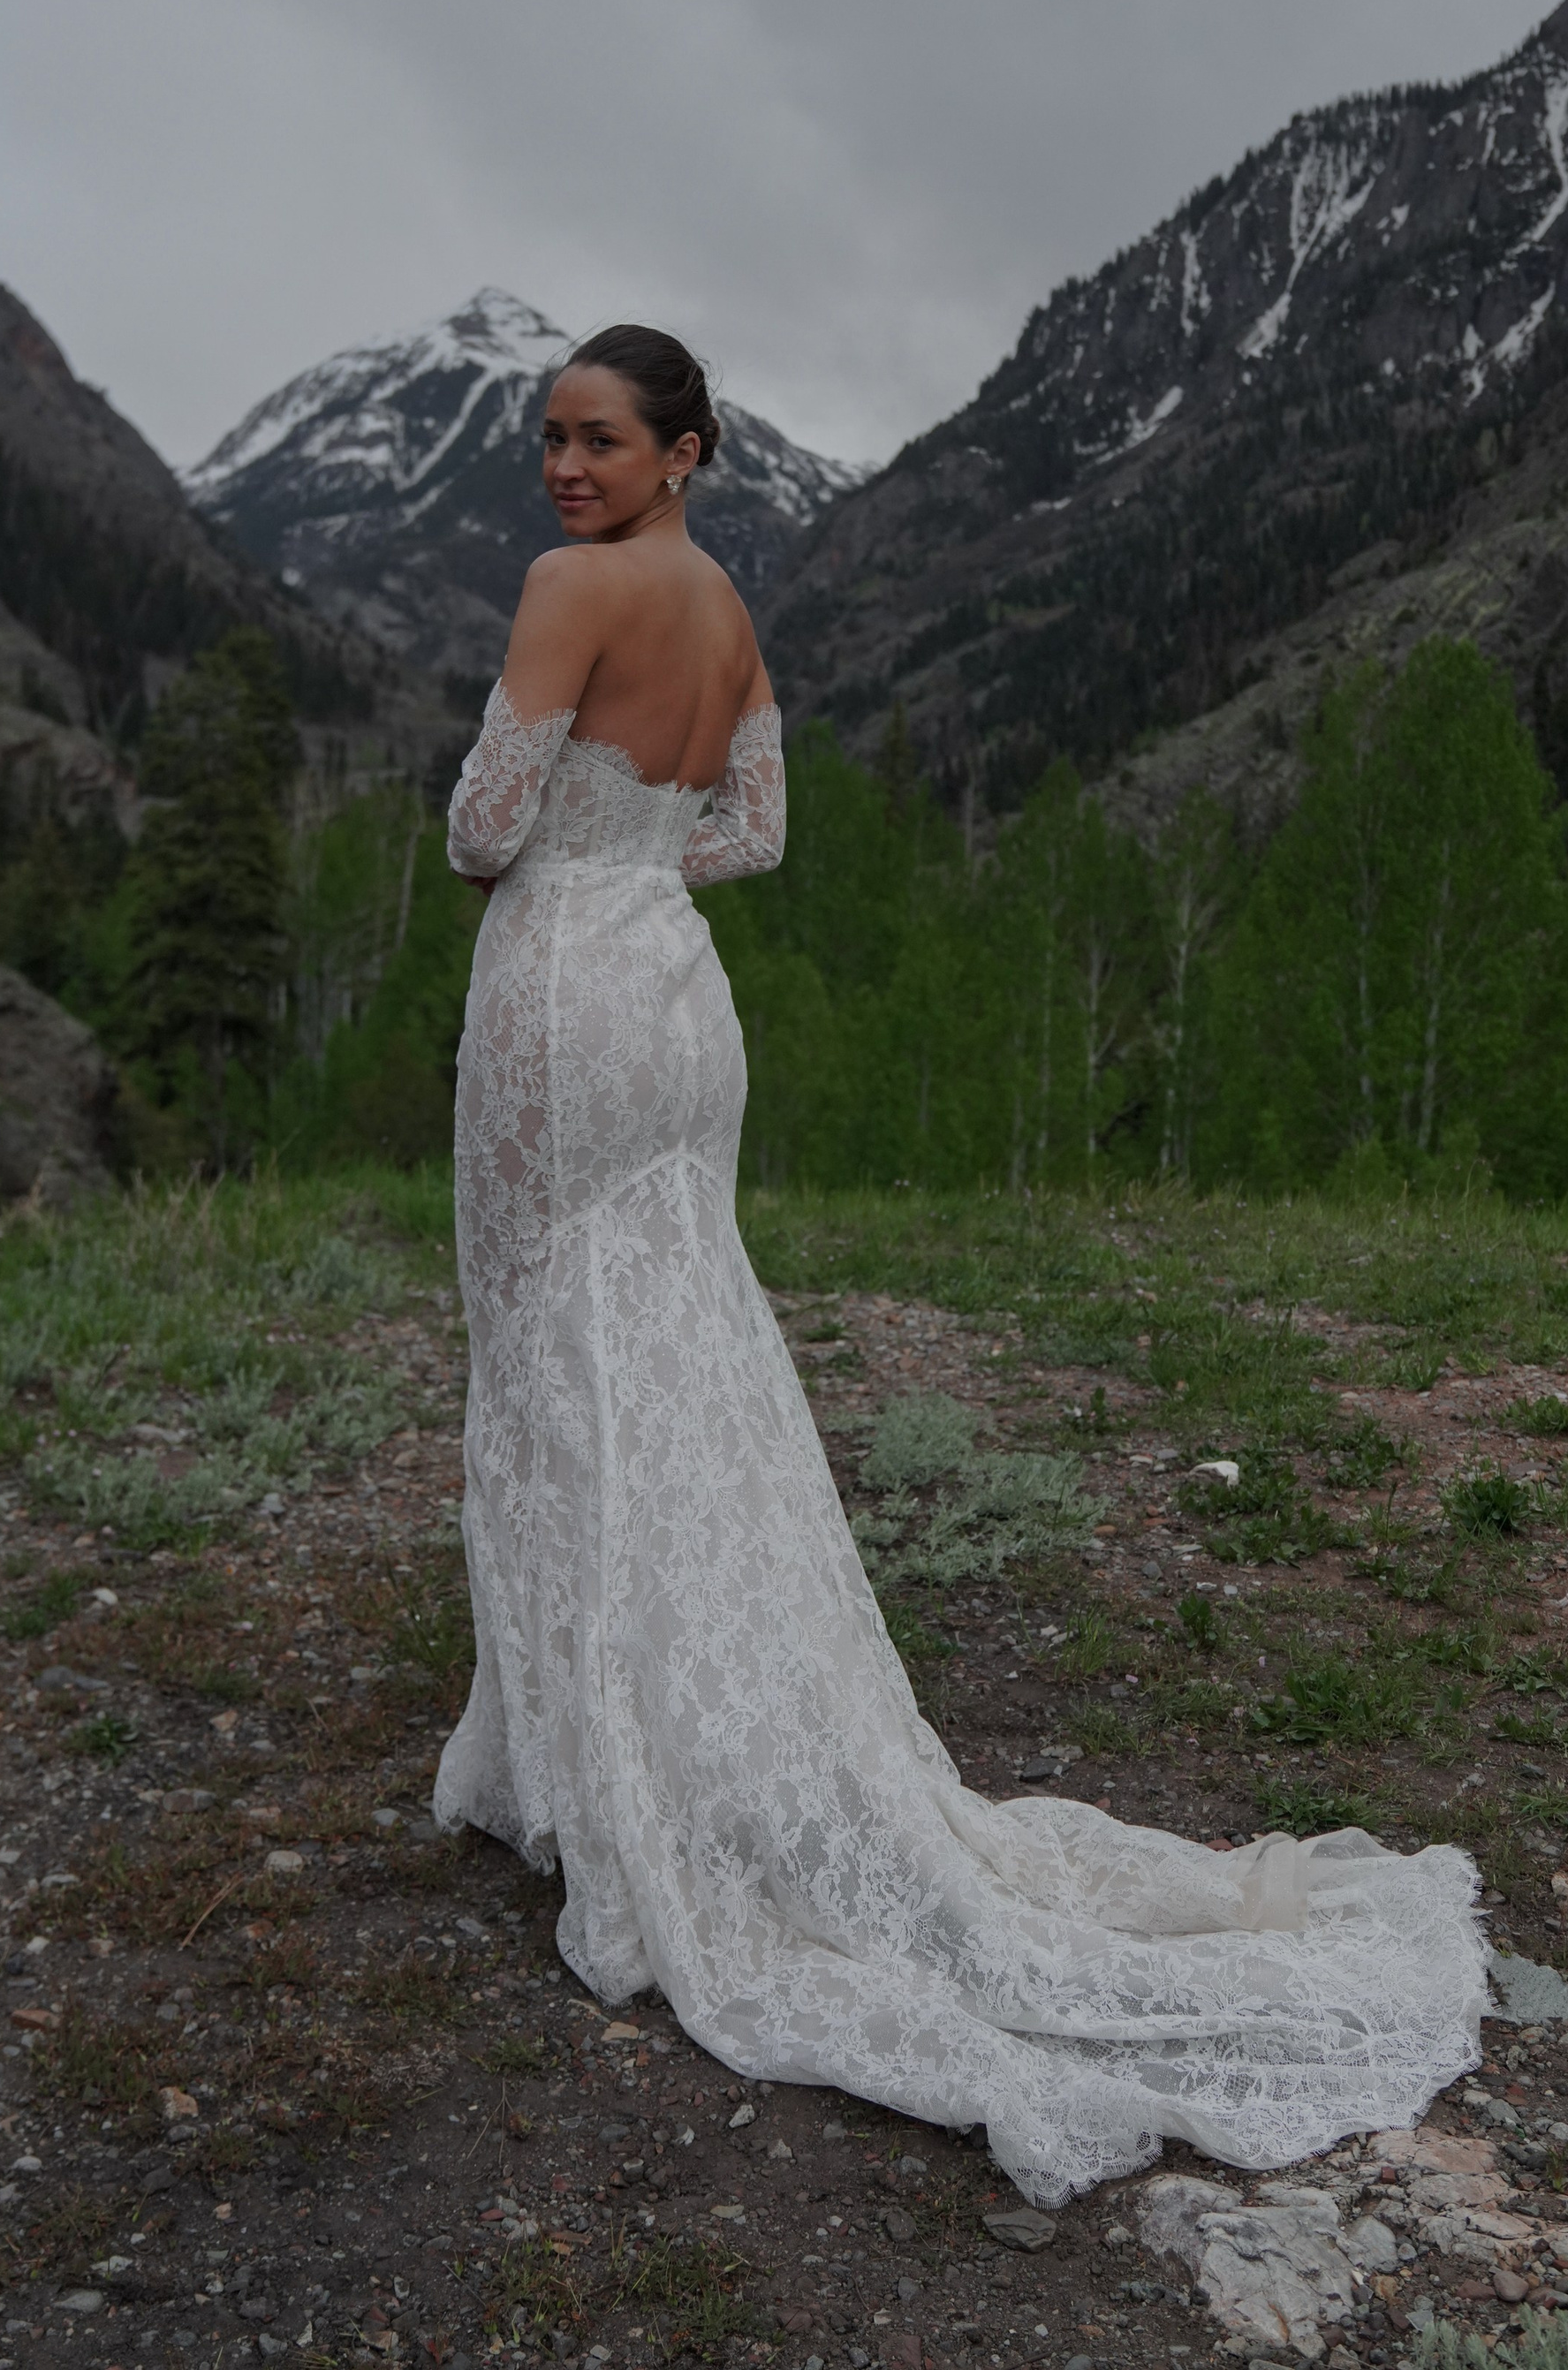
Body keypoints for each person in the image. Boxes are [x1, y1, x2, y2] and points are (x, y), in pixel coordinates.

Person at [433, 322, 1486, 2205]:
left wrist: (567, 850)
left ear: (678, 449)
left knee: (547, 1352)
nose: (563, 470)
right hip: (677, 999)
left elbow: (474, 827)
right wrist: (647, 858)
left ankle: (589, 1766)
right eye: (547, 443)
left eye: (595, 440)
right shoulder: (729, 612)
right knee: (676, 1336)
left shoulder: (565, 590)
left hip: (558, 1000)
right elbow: (752, 835)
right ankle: (653, 1733)